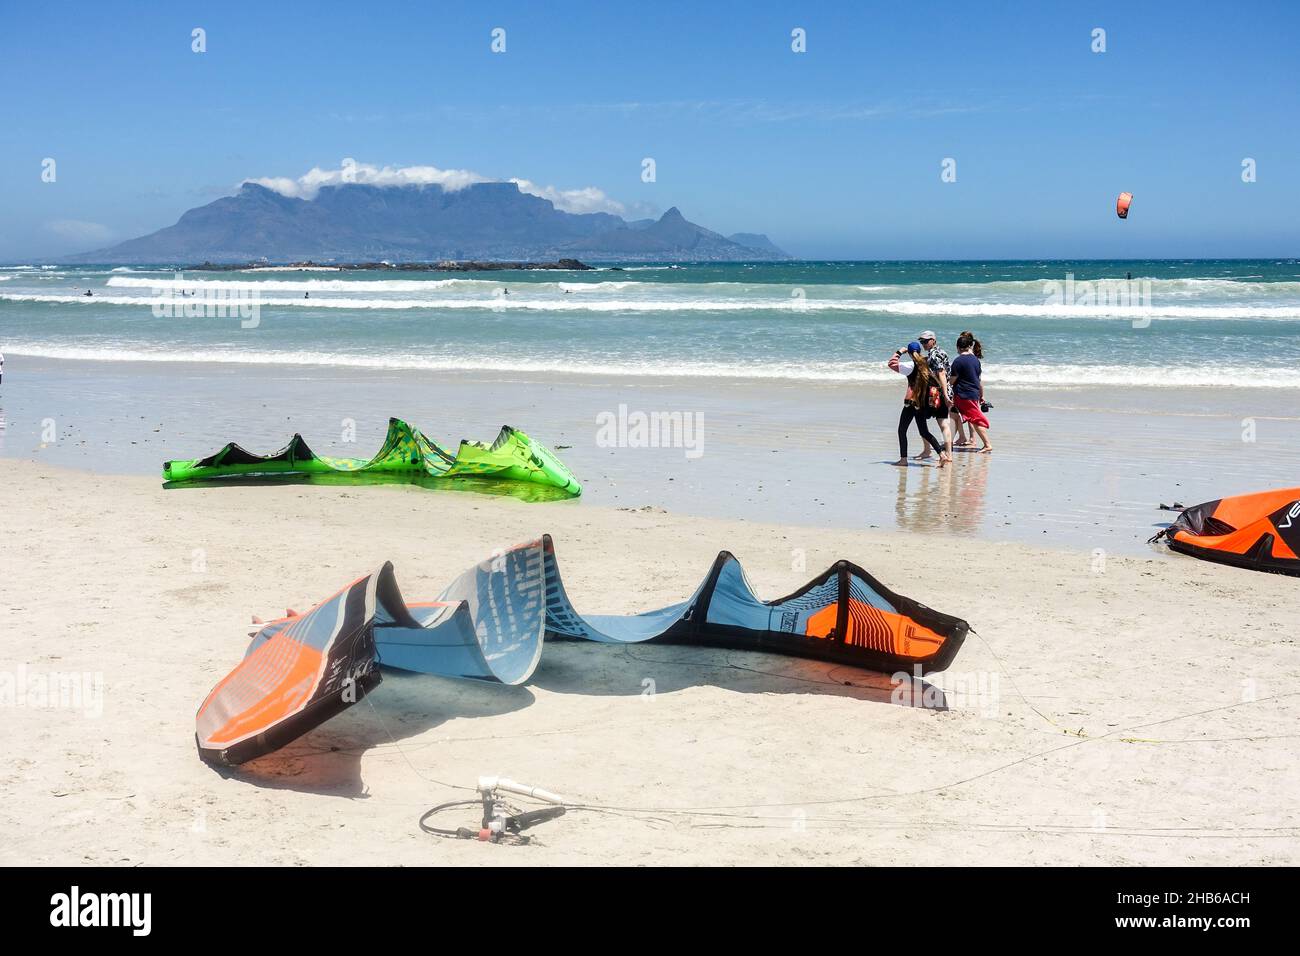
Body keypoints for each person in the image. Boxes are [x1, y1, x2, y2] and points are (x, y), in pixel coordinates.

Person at [888, 341, 948, 467]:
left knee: (902, 430)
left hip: (911, 403)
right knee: (924, 432)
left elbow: (891, 364)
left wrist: (899, 352)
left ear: (909, 353)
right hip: (922, 404)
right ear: (920, 351)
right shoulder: (927, 363)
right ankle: (942, 455)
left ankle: (903, 460)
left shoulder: (910, 365)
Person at [950, 331, 992, 453]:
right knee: (954, 415)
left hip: (963, 395)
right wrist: (981, 395)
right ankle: (952, 441)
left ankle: (987, 444)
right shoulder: (975, 360)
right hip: (973, 393)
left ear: (958, 347)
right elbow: (977, 380)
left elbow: (952, 381)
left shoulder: (958, 361)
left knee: (975, 420)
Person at [915, 330, 953, 460]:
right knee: (944, 423)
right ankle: (949, 454)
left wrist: (945, 395)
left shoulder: (934, 355)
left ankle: (927, 450)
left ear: (933, 341)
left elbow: (941, 373)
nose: (924, 344)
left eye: (926, 341)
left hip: (937, 394)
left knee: (921, 419)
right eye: (922, 342)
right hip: (944, 391)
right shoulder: (941, 352)